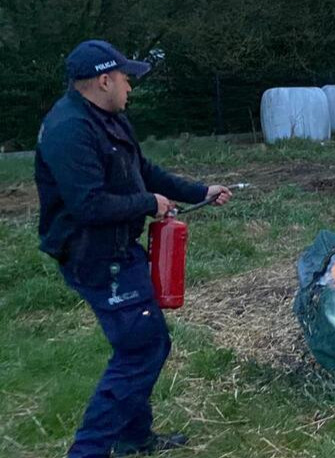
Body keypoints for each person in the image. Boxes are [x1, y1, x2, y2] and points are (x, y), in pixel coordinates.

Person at [35, 40, 233, 457]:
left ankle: (133, 437)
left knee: (147, 342)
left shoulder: (109, 118)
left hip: (119, 248)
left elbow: (142, 170)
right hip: (93, 254)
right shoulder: (70, 129)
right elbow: (87, 205)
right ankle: (88, 451)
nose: (131, 86)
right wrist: (149, 203)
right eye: (126, 77)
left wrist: (200, 190)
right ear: (104, 79)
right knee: (141, 347)